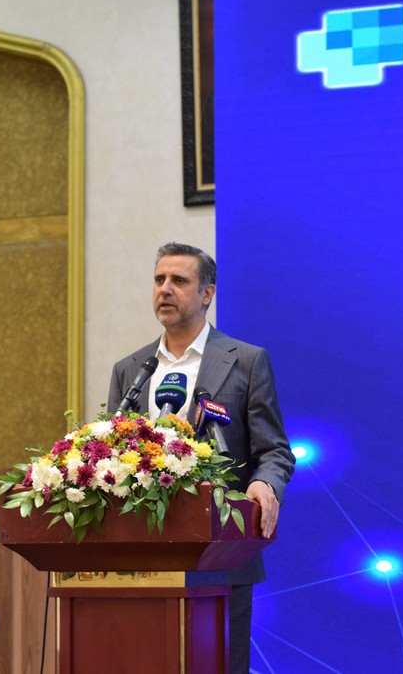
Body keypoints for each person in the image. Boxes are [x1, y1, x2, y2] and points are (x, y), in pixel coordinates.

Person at [108, 242, 295, 673]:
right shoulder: (131, 369)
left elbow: (274, 450)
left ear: (207, 293)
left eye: (179, 280)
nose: (165, 289)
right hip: (141, 556)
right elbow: (114, 452)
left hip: (221, 555)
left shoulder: (246, 361)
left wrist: (264, 483)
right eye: (159, 280)